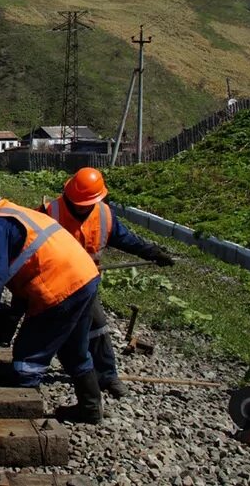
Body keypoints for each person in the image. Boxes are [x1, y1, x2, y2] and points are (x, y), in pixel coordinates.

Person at [0, 181, 104, 423]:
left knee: (27, 356)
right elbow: (26, 262)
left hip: (59, 289)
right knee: (74, 348)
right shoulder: (17, 211)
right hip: (85, 279)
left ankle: (25, 412)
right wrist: (14, 312)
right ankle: (90, 408)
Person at [40, 167, 175, 398]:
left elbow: (127, 240)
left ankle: (107, 376)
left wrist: (152, 252)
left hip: (85, 285)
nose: (81, 206)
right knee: (45, 326)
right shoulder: (50, 212)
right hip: (53, 285)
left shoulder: (104, 215)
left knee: (98, 326)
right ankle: (30, 369)